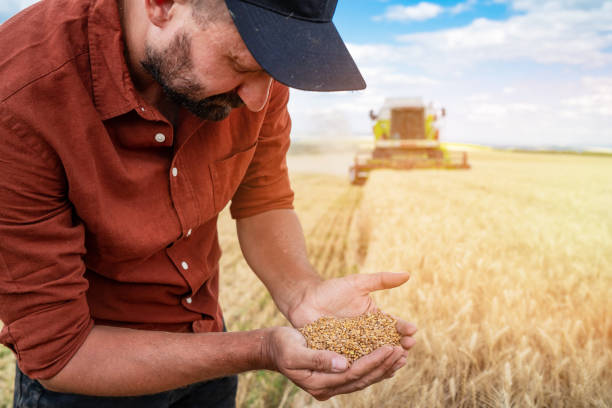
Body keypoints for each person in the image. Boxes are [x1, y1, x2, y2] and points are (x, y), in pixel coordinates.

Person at [0, 0, 418, 406]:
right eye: (240, 66)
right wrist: (263, 349)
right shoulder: (18, 102)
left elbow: (263, 197)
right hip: (91, 381)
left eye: (271, 72)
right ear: (161, 5)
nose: (259, 99)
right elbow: (61, 353)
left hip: (210, 346)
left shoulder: (258, 59)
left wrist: (301, 291)